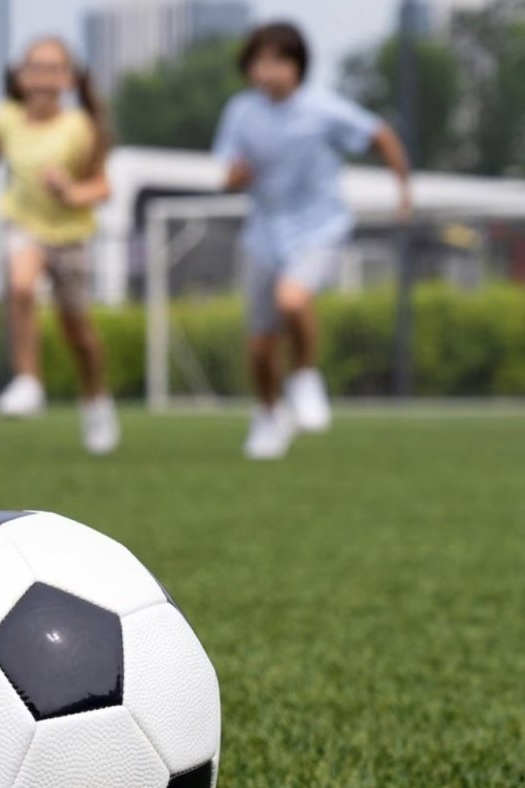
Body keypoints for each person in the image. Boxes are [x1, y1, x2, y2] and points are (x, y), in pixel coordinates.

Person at [213, 22, 412, 460]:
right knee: (260, 347)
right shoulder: (241, 112)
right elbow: (227, 174)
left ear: (298, 65)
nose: (268, 71)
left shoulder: (323, 109)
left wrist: (403, 193)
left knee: (293, 299)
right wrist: (236, 178)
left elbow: (381, 135)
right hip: (264, 233)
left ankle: (304, 376)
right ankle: (268, 414)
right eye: (259, 61)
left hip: (319, 228)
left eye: (278, 60)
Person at [0, 37, 120, 457]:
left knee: (79, 333)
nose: (42, 76)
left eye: (53, 68)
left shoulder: (79, 128)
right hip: (23, 223)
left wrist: (71, 191)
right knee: (20, 285)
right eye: (35, 67)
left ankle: (95, 401)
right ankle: (28, 381)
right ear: (21, 76)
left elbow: (102, 185)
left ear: (69, 79)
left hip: (70, 236)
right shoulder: (5, 116)